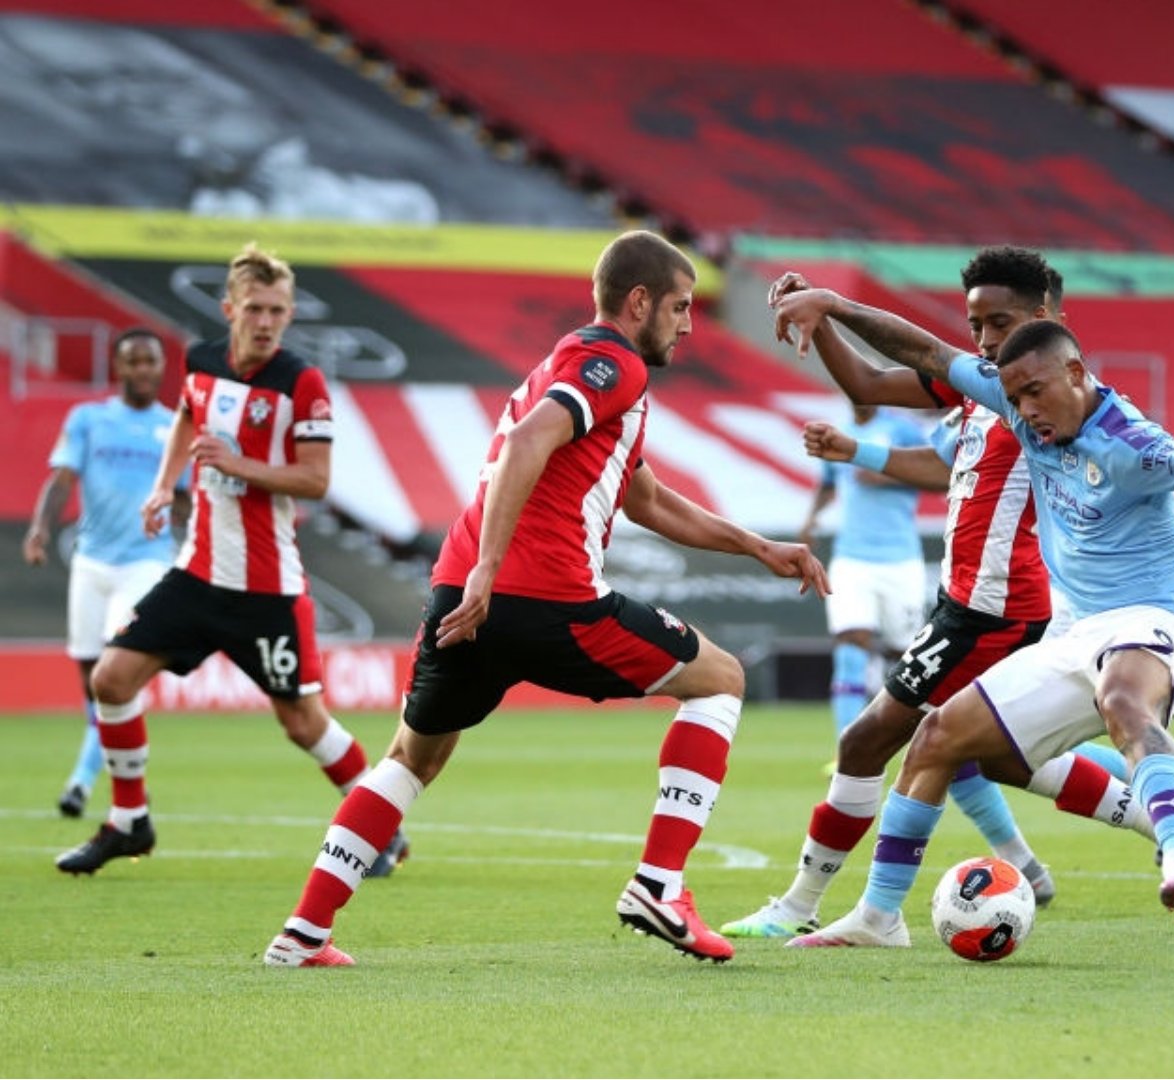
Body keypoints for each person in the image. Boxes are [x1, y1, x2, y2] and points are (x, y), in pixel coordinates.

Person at [262, 230, 827, 968]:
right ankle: (660, 883)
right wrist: (491, 569)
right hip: (543, 596)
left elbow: (647, 499)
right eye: (681, 307)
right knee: (720, 679)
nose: (690, 324)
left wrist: (759, 546)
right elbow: (529, 443)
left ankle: (302, 933)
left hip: (460, 594)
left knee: (409, 758)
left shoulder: (571, 367)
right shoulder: (614, 364)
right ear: (638, 302)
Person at [766, 297, 1174, 947]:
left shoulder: (1129, 443)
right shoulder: (1017, 404)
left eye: (1037, 392)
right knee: (939, 739)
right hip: (1074, 634)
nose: (1027, 411)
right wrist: (832, 306)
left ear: (1076, 373)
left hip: (1159, 620)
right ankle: (878, 918)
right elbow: (926, 353)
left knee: (1124, 699)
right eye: (1016, 397)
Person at [721, 249, 1174, 941]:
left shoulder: (1044, 399)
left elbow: (919, 350)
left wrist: (830, 304)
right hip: (963, 601)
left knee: (872, 742)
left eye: (998, 322)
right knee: (969, 751)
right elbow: (879, 393)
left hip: (995, 609)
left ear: (1045, 320)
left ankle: (810, 906)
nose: (983, 339)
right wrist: (826, 346)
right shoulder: (987, 392)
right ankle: (1159, 812)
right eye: (976, 324)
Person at [57, 246, 400, 877]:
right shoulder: (203, 362)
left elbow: (316, 480)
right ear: (230, 309)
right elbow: (188, 415)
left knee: (302, 723)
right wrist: (164, 485)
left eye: (277, 311)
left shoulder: (302, 383)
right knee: (111, 679)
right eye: (255, 309)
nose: (266, 321)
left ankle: (378, 825)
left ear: (289, 314)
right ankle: (130, 821)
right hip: (196, 575)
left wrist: (236, 463)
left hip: (266, 590)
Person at [24, 329, 187, 819]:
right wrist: (39, 529)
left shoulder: (173, 428)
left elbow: (184, 498)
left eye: (150, 361)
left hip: (146, 562)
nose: (142, 369)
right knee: (88, 676)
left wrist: (178, 511)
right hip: (91, 562)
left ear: (161, 366)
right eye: (132, 361)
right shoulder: (88, 419)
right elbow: (62, 478)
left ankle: (80, 782)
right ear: (118, 367)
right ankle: (126, 766)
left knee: (114, 673)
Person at [797, 403, 927, 741]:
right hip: (851, 558)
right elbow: (828, 482)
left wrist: (884, 474)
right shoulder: (838, 433)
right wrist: (811, 518)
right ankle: (847, 746)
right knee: (850, 642)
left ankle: (910, 742)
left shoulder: (903, 430)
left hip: (901, 560)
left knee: (903, 655)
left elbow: (939, 473)